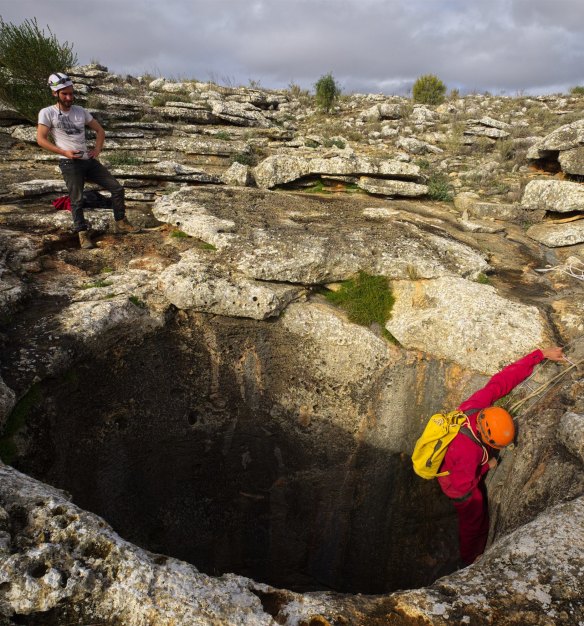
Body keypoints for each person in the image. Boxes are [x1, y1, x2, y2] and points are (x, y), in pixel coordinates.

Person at [437, 346, 565, 566]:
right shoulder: (467, 450)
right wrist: (487, 465)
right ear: (487, 440)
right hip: (456, 482)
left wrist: (540, 355)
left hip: (460, 463)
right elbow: (464, 486)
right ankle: (469, 562)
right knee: (475, 521)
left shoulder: (475, 408)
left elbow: (502, 381)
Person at [37, 72, 139, 249]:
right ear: (55, 93)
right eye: (64, 94)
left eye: (71, 93)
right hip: (69, 162)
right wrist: (64, 152)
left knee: (117, 188)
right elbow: (41, 139)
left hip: (87, 160)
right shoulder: (47, 113)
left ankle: (121, 222)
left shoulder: (81, 111)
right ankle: (82, 234)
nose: (69, 97)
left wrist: (97, 149)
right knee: (76, 199)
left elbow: (100, 131)